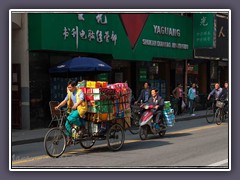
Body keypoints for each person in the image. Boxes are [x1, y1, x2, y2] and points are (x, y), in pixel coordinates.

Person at [55, 80, 87, 145]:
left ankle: (82, 127)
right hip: (73, 109)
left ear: (74, 86)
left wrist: (76, 105)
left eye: (70, 87)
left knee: (71, 119)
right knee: (67, 124)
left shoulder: (79, 91)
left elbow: (81, 99)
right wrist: (58, 106)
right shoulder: (70, 93)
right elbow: (64, 101)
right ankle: (69, 138)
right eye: (68, 87)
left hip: (80, 108)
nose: (69, 89)